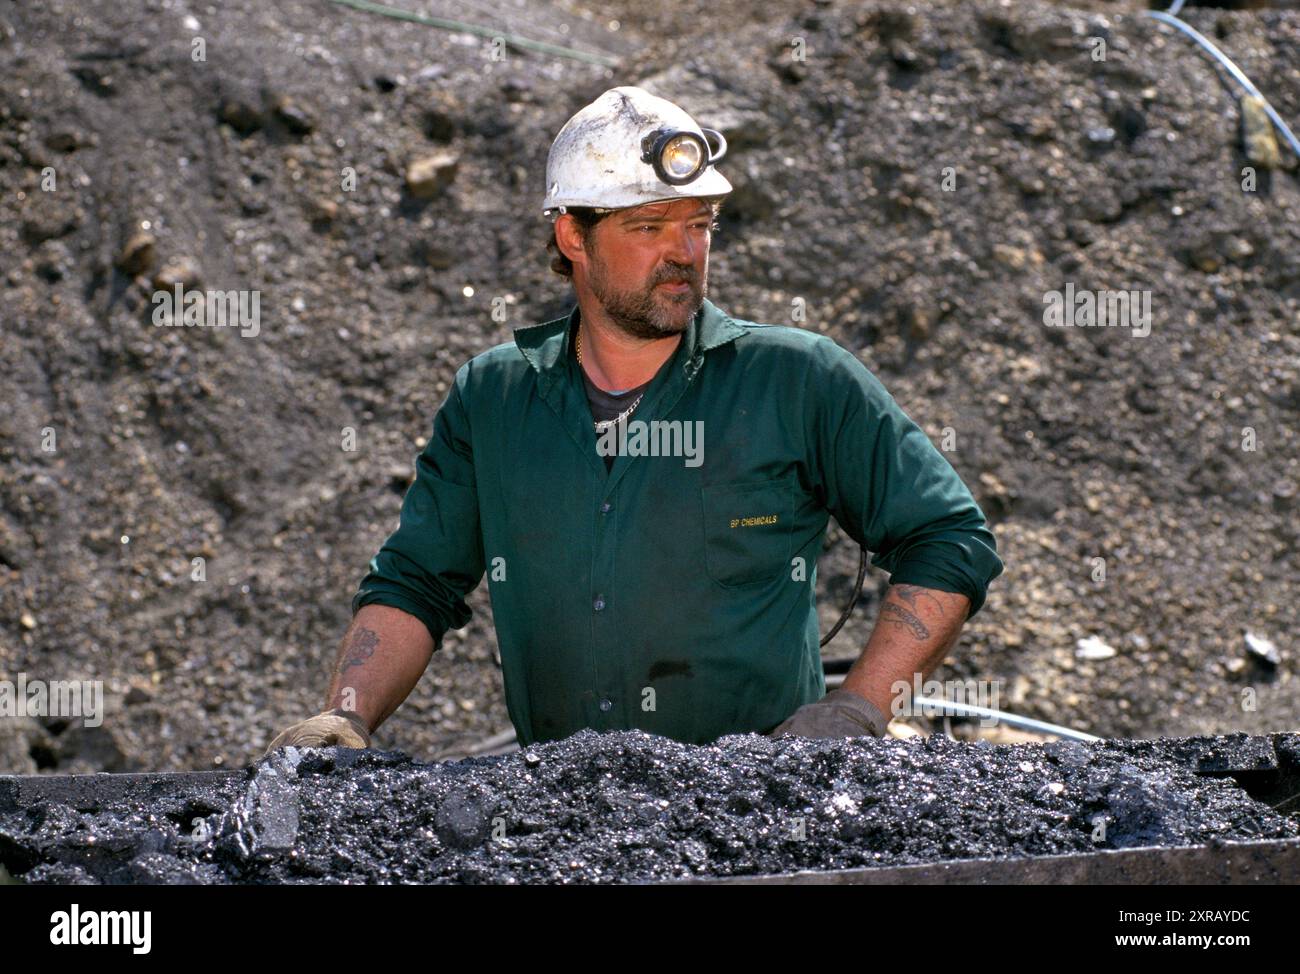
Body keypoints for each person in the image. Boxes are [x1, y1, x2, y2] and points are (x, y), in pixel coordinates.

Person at [265, 86, 1002, 754]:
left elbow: (948, 538)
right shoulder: (492, 398)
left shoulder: (798, 380)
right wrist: (347, 715)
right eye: (650, 226)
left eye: (699, 224)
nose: (684, 253)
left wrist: (857, 709)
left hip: (760, 817)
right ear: (573, 238)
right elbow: (416, 583)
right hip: (564, 821)